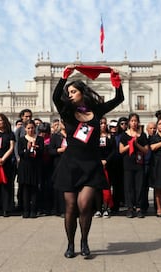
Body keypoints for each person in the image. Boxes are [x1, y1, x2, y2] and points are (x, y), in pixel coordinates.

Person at [52, 64, 124, 258]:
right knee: (71, 206)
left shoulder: (96, 110)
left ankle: (84, 241)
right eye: (69, 92)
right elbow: (54, 96)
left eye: (73, 91)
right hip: (71, 164)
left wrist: (116, 81)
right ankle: (70, 244)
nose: (70, 95)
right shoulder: (66, 111)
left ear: (82, 92)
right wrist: (64, 77)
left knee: (84, 205)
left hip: (91, 164)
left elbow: (119, 99)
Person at [119, 113, 149, 218]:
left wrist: (136, 144)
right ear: (129, 122)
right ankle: (130, 208)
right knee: (129, 186)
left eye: (135, 121)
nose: (134, 123)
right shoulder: (124, 135)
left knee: (139, 186)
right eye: (132, 121)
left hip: (139, 163)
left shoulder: (142, 135)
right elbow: (121, 150)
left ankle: (139, 207)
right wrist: (130, 144)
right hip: (128, 163)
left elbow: (146, 150)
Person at [17, 120, 44, 218]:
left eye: (32, 128)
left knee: (34, 190)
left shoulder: (39, 139)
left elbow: (42, 153)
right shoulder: (21, 139)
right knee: (25, 190)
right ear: (25, 129)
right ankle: (26, 210)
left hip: (35, 167)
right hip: (25, 167)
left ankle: (34, 210)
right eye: (28, 128)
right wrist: (28, 149)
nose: (30, 130)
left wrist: (36, 148)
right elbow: (20, 153)